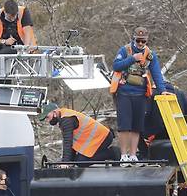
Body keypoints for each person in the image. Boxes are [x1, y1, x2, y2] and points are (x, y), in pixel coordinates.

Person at [110, 27, 169, 162]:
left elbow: (156, 73)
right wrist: (132, 59)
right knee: (124, 125)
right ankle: (123, 155)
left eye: (143, 41)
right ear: (133, 39)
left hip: (141, 93)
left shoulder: (150, 55)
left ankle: (133, 155)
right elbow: (116, 66)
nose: (141, 44)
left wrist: (162, 89)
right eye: (138, 40)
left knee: (137, 126)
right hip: (124, 92)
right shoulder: (125, 50)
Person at [39, 103, 116, 162]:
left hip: (103, 138)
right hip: (97, 138)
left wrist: (65, 163)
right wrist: (67, 161)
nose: (47, 120)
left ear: (54, 112)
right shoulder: (64, 116)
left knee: (81, 162)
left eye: (47, 117)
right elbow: (71, 143)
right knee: (78, 161)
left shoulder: (66, 119)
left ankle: (112, 153)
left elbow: (68, 142)